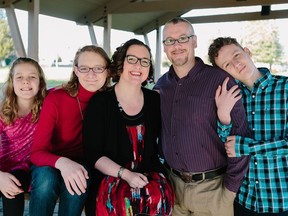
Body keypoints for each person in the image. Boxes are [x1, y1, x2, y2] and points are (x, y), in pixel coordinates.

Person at [153, 17, 251, 216]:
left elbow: (241, 136)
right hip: (174, 190)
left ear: (194, 41)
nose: (177, 45)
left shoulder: (220, 80)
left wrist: (230, 190)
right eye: (169, 41)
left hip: (214, 192)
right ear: (164, 46)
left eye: (183, 38)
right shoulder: (161, 86)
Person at [83, 38, 174, 216]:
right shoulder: (101, 103)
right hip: (111, 176)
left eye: (144, 61)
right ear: (120, 64)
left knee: (157, 199)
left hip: (149, 175)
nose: (138, 66)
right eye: (131, 59)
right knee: (122, 206)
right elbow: (93, 155)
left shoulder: (155, 100)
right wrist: (125, 174)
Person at [208, 37, 288, 216]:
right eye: (227, 64)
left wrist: (245, 147)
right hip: (244, 200)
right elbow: (226, 146)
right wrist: (223, 116)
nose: (236, 64)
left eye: (237, 55)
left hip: (281, 201)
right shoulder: (231, 97)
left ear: (247, 51)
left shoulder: (286, 88)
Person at [29, 45, 111, 216]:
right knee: (46, 181)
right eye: (84, 68)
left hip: (87, 163)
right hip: (51, 161)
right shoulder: (57, 98)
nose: (91, 75)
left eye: (98, 68)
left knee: (78, 180)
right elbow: (37, 152)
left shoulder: (111, 100)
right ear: (76, 70)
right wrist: (63, 163)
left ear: (107, 71)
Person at [0, 57, 47, 216]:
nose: (26, 81)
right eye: (19, 77)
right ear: (12, 82)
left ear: (40, 82)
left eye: (32, 77)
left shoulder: (48, 107)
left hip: (25, 170)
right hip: (1, 167)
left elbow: (68, 89)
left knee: (14, 184)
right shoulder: (3, 111)